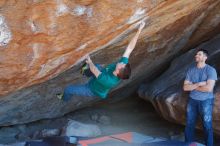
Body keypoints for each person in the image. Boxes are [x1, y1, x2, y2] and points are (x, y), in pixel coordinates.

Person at [56, 21, 146, 101]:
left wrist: (89, 60)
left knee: (69, 89)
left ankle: (64, 98)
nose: (122, 62)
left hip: (91, 89)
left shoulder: (109, 81)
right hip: (100, 76)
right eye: (123, 63)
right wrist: (139, 30)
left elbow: (95, 71)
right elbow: (130, 48)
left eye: (122, 64)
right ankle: (84, 72)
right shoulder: (123, 67)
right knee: (98, 66)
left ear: (118, 71)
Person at [183, 49, 218, 146]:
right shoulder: (191, 70)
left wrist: (193, 86)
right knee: (189, 124)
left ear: (205, 57)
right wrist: (199, 84)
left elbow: (209, 88)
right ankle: (188, 144)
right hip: (192, 100)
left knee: (207, 125)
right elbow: (185, 87)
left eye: (199, 54)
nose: (196, 55)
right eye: (196, 54)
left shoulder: (211, 70)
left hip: (206, 101)